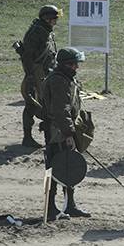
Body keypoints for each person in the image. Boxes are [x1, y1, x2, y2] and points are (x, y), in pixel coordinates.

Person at [40, 47, 91, 221]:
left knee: (69, 166)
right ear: (66, 65)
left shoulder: (66, 79)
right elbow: (61, 110)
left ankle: (70, 205)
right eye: (74, 64)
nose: (77, 67)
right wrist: (69, 134)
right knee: (56, 167)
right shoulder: (58, 82)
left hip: (65, 128)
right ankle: (50, 207)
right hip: (57, 131)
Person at [20, 5, 61, 148]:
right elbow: (27, 56)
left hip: (46, 72)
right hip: (37, 73)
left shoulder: (45, 30)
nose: (55, 22)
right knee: (33, 104)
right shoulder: (36, 32)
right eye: (54, 19)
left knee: (46, 103)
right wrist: (30, 75)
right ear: (46, 18)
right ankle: (28, 137)